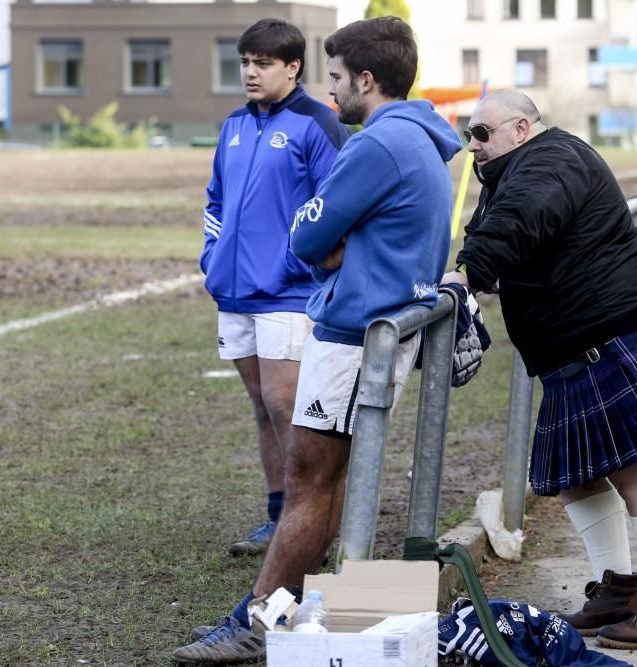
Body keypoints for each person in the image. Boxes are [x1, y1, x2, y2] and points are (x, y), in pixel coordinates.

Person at [173, 16, 461, 664]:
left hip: (354, 332)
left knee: (307, 478)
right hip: (373, 330)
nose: (331, 92)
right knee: (324, 477)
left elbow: (306, 234)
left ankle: (259, 620)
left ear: (366, 78)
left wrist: (334, 240)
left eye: (335, 77)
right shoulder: (419, 138)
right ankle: (292, 606)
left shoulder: (377, 145)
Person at [444, 90, 637, 651]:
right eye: (470, 135)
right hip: (575, 346)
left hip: (611, 334)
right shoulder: (512, 170)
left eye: (482, 133)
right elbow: (497, 227)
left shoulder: (552, 160)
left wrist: (467, 275)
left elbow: (519, 221)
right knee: (577, 479)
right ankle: (617, 590)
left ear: (521, 128)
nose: (473, 145)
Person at [199, 18, 349, 558]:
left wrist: (293, 262)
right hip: (234, 291)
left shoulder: (318, 124)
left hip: (288, 292)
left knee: (286, 403)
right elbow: (215, 201)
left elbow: (336, 207)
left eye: (262, 63)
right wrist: (212, 257)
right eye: (244, 62)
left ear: (292, 67)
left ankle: (313, 519)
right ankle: (277, 513)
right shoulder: (234, 125)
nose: (250, 72)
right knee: (262, 407)